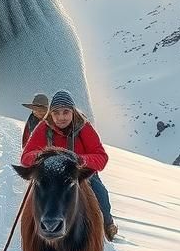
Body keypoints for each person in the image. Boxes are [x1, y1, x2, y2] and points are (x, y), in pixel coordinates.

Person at [20, 89, 118, 241]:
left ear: (73, 112)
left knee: (101, 194)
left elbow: (101, 157)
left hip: (81, 174)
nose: (61, 117)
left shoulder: (84, 128)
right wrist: (43, 157)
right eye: (56, 113)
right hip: (52, 174)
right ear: (50, 114)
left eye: (65, 112)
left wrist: (80, 160)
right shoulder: (44, 128)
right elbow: (26, 157)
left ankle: (108, 223)